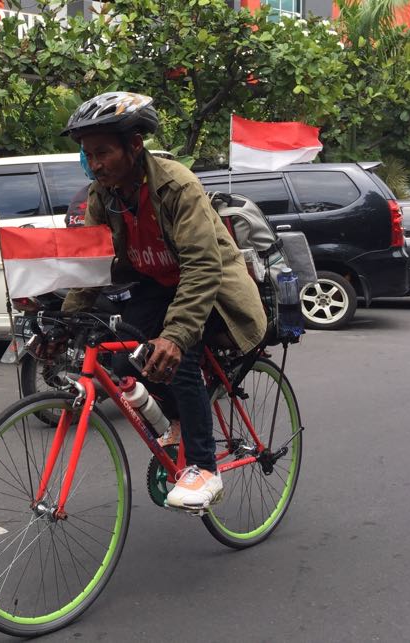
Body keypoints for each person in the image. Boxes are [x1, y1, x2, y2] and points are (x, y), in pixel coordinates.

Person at [59, 91, 267, 510]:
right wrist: (66, 321)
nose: (95, 164)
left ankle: (204, 469)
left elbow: (202, 267)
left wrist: (174, 336)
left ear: (134, 146)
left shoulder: (176, 185)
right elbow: (92, 265)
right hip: (157, 284)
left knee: (175, 356)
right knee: (123, 359)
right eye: (88, 155)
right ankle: (173, 421)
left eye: (103, 152)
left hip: (212, 287)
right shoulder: (104, 195)